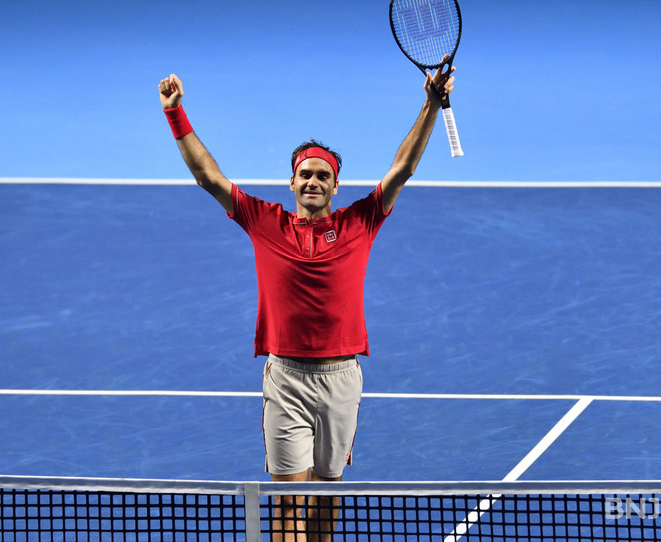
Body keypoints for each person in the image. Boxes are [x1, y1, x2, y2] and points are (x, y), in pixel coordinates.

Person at [159, 59, 455, 541]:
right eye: (305, 174)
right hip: (287, 378)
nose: (313, 181)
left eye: (322, 175)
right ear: (292, 183)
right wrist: (176, 114)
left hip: (342, 379)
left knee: (323, 509)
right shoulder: (263, 220)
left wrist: (429, 104)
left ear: (336, 186)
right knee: (288, 508)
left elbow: (403, 168)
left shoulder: (362, 221)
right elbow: (208, 177)